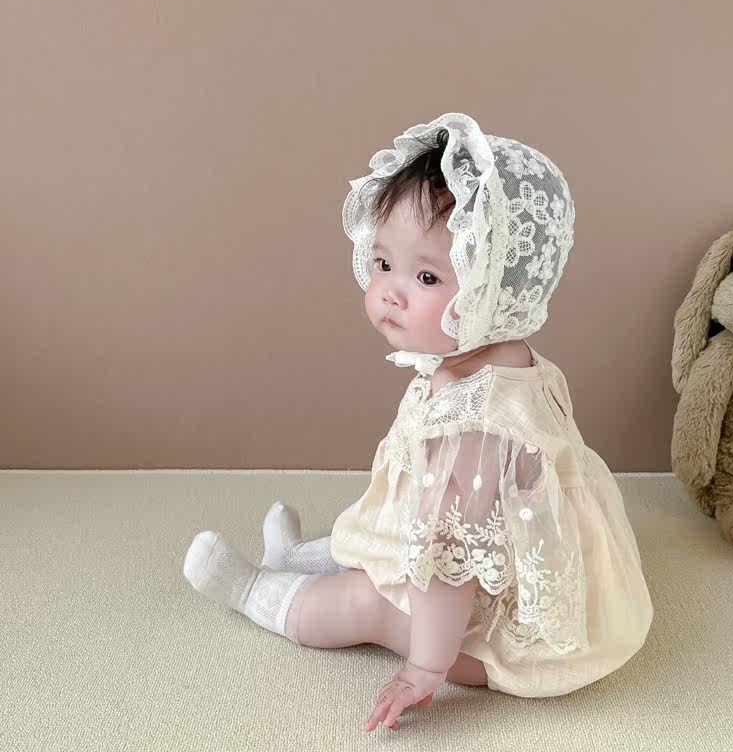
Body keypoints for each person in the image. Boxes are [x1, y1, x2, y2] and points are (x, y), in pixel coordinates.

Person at [182, 112, 653, 733]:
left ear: (490, 290)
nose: (390, 292)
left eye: (426, 276)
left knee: (368, 601)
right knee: (378, 541)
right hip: (503, 555)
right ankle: (293, 558)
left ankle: (251, 592)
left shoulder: (472, 426)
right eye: (382, 263)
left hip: (506, 638)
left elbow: (447, 562)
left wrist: (425, 667)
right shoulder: (501, 358)